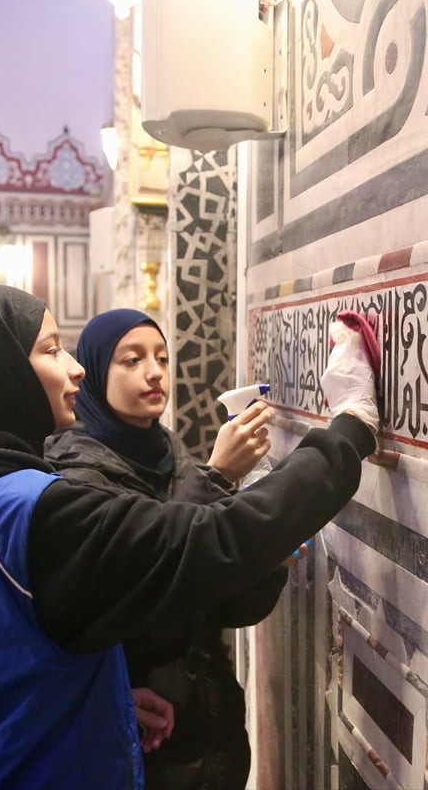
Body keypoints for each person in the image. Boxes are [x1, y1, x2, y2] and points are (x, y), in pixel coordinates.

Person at [0, 284, 379, 790]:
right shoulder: (27, 510)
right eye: (51, 350)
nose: (74, 366)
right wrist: (350, 426)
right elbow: (219, 538)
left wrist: (101, 696)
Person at [45, 309, 284, 789]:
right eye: (131, 360)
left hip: (212, 720)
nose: (154, 372)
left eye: (161, 358)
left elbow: (225, 604)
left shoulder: (174, 457)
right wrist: (217, 477)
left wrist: (265, 549)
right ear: (95, 374)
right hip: (139, 729)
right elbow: (145, 585)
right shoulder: (73, 477)